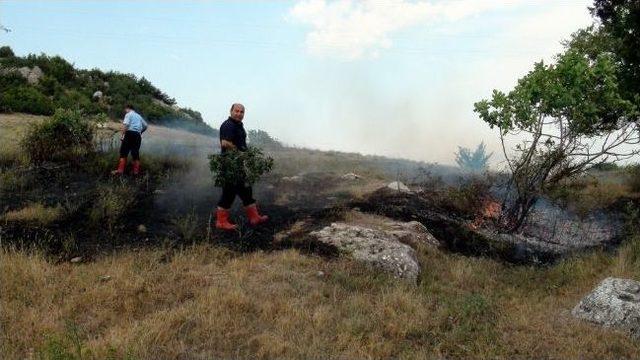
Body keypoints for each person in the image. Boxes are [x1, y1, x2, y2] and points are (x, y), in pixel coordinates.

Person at [215, 103, 268, 231]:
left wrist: (247, 156)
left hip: (239, 165)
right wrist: (240, 152)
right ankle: (221, 222)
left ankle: (254, 217)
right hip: (230, 166)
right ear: (231, 111)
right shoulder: (228, 125)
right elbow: (225, 143)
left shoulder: (239, 126)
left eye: (242, 112)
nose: (239, 114)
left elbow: (241, 144)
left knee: (246, 191)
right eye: (236, 111)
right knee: (229, 193)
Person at [112, 104, 148, 175]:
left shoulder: (128, 114)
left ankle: (120, 171)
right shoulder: (139, 116)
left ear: (128, 108)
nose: (125, 111)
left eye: (125, 110)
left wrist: (123, 135)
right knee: (135, 153)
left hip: (129, 134)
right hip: (137, 136)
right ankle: (135, 172)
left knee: (124, 152)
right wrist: (140, 132)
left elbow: (126, 125)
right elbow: (146, 126)